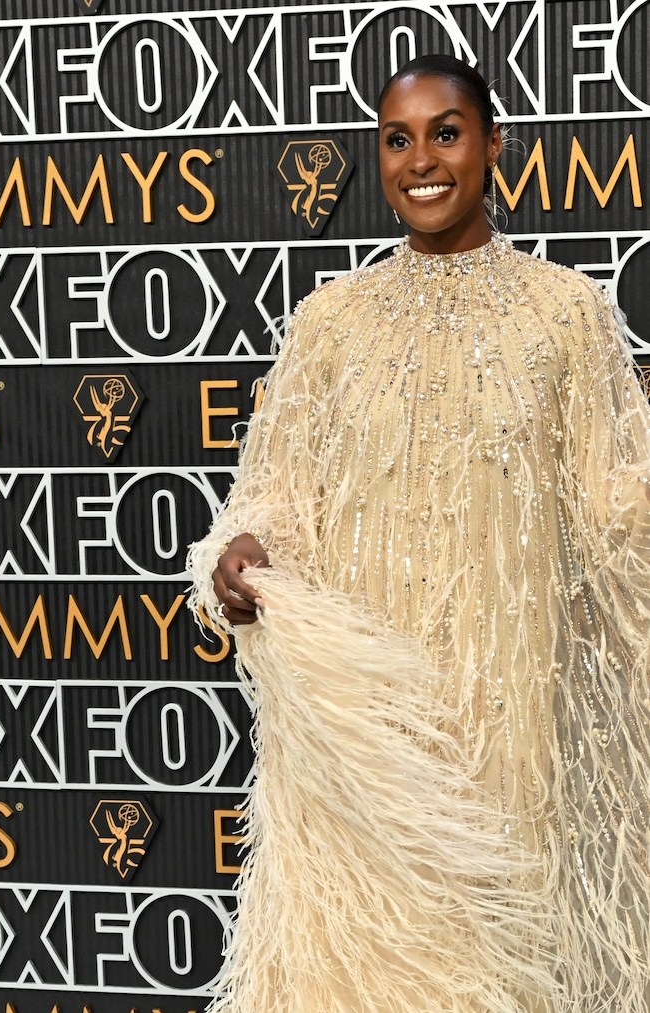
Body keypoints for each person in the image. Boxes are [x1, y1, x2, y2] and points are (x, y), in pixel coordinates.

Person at [187, 54, 650, 1012]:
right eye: (398, 140)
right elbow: (273, 495)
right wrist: (238, 556)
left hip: (509, 726)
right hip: (369, 737)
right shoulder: (329, 322)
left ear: (491, 144)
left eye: (445, 131)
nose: (421, 159)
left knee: (501, 969)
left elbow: (619, 513)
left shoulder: (565, 314)